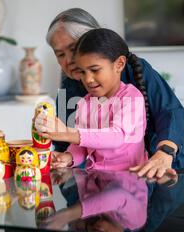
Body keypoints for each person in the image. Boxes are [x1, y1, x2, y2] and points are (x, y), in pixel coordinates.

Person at [46, 8, 184, 178]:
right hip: (100, 182)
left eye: (74, 49)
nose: (69, 60)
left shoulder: (133, 73)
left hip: (162, 170)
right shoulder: (68, 88)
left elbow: (169, 112)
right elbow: (67, 145)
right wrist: (62, 160)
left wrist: (165, 152)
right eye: (60, 54)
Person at [35, 28, 148, 172]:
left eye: (95, 70)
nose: (87, 79)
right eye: (82, 71)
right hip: (95, 178)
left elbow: (116, 136)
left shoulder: (131, 97)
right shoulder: (85, 103)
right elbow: (82, 144)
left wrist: (67, 133)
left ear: (119, 64)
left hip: (128, 183)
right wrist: (69, 157)